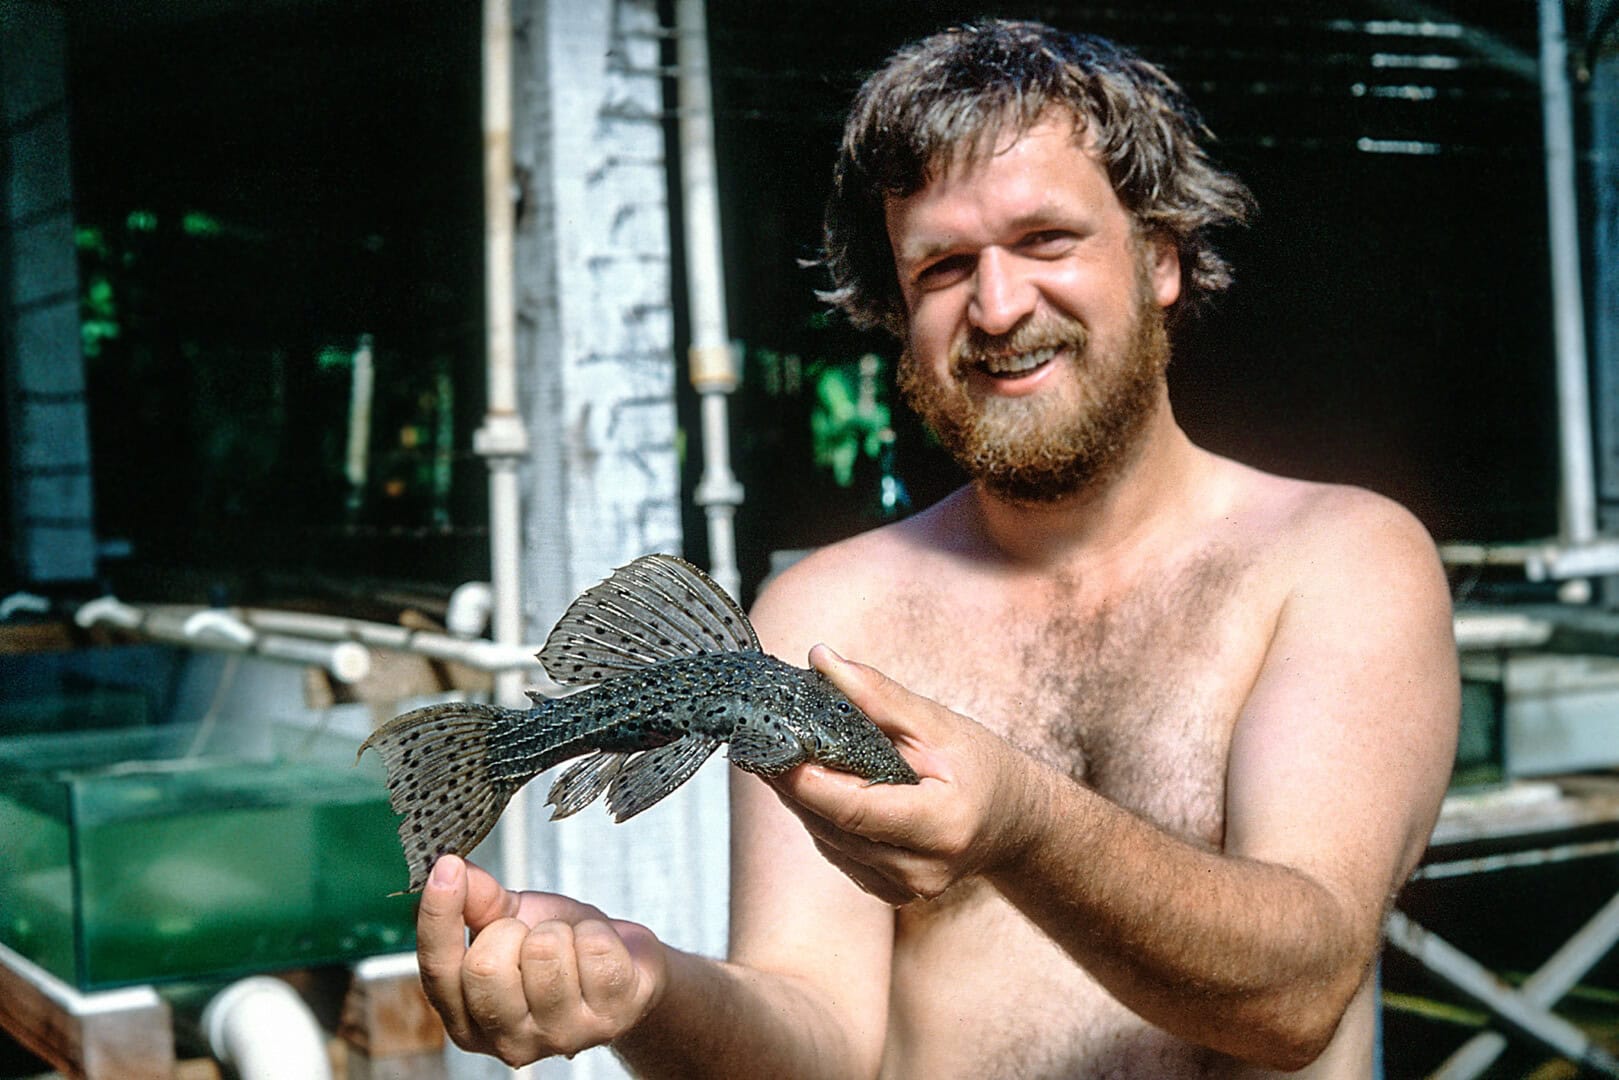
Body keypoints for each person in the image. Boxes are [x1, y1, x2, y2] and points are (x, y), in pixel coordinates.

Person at [413, 19, 1460, 1078]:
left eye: (1046, 240)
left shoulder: (1339, 561)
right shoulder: (826, 613)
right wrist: (642, 989)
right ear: (897, 307)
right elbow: (817, 1038)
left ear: (1158, 260)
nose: (998, 307)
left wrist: (1017, 821)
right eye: (943, 266)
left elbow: (1297, 993)